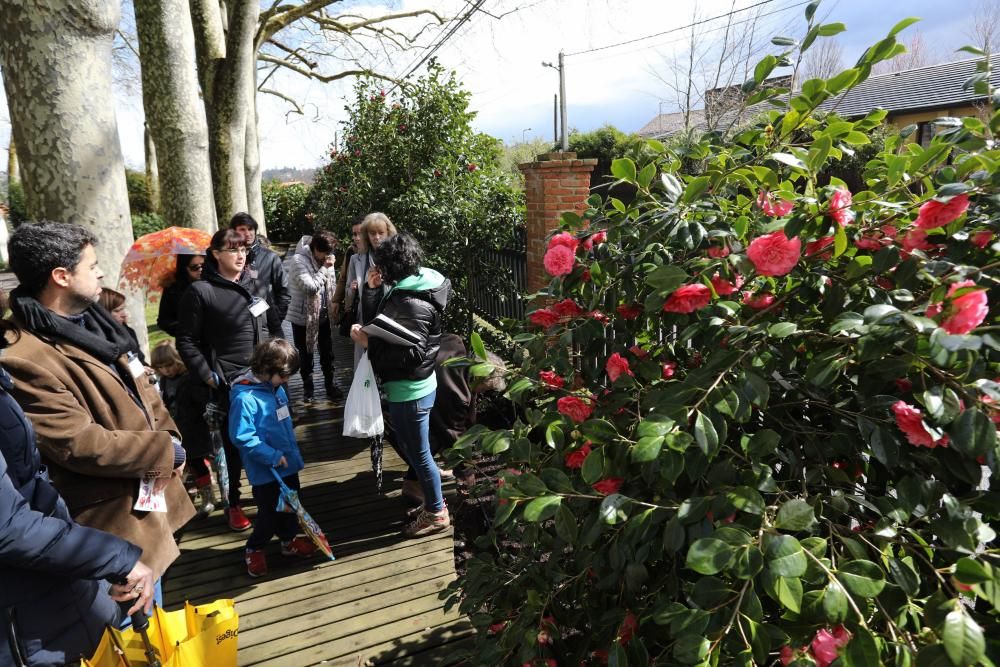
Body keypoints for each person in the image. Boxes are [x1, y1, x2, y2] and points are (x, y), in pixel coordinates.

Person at [2, 221, 195, 600]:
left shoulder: (96, 322)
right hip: (114, 533)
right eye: (92, 266)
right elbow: (78, 443)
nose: (102, 272)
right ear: (61, 276)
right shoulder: (22, 357)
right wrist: (164, 451)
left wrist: (171, 437)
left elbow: (144, 385)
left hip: (155, 509)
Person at [351, 233, 452, 538]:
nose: (377, 270)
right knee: (417, 451)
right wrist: (371, 293)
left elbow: (409, 356)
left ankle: (436, 512)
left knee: (418, 453)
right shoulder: (416, 284)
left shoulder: (410, 301)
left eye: (381, 265)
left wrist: (368, 343)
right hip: (418, 385)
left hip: (410, 390)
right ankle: (433, 501)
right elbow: (384, 323)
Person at [176, 228, 264, 532]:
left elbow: (271, 325)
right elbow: (185, 341)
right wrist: (208, 376)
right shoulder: (201, 292)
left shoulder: (254, 285)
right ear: (215, 254)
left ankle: (270, 499)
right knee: (231, 450)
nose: (240, 255)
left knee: (266, 442)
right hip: (227, 386)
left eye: (244, 250)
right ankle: (234, 504)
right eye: (233, 250)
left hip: (263, 380)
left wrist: (280, 358)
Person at [228, 339, 317, 577]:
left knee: (290, 507)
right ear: (267, 370)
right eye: (284, 376)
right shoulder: (244, 397)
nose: (287, 381)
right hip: (266, 471)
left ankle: (288, 542)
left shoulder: (275, 388)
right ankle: (254, 548)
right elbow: (243, 437)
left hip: (287, 465)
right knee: (268, 515)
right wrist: (273, 455)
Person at [150, 341, 215, 517]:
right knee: (190, 464)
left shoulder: (189, 379)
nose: (166, 370)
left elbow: (201, 402)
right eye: (161, 367)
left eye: (170, 365)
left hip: (195, 428)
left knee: (199, 462)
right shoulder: (164, 381)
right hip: (178, 428)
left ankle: (208, 496)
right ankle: (199, 494)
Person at [286, 230, 342, 403]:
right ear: (315, 248)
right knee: (305, 355)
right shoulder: (298, 260)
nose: (327, 256)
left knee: (327, 353)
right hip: (303, 318)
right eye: (325, 252)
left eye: (330, 253)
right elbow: (310, 287)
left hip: (323, 315)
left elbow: (330, 284)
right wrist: (325, 268)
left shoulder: (325, 258)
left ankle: (330, 385)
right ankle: (308, 390)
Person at [345, 212, 397, 367]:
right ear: (367, 235)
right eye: (372, 233)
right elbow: (348, 295)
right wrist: (353, 289)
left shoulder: (396, 258)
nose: (377, 237)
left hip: (391, 319)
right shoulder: (356, 259)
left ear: (388, 233)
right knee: (365, 369)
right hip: (365, 321)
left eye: (381, 233)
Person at [230, 212, 290, 338]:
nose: (248, 233)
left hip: (266, 326)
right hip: (237, 326)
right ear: (233, 232)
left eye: (250, 229)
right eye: (242, 229)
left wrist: (275, 318)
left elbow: (284, 290)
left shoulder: (270, 257)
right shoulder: (228, 257)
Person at [156, 254, 205, 337]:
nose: (200, 269)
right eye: (194, 267)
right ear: (184, 268)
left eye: (204, 265)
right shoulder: (173, 289)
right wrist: (186, 330)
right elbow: (164, 321)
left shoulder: (215, 282)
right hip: (190, 343)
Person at [98, 287, 147, 364]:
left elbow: (139, 359)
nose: (124, 315)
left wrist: (145, 368)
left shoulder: (128, 331)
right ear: (104, 312)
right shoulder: (100, 338)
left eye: (123, 309)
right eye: (117, 311)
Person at [332, 216, 364, 330]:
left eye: (361, 233)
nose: (357, 238)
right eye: (355, 234)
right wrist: (336, 300)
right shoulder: (351, 251)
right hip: (354, 305)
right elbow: (343, 277)